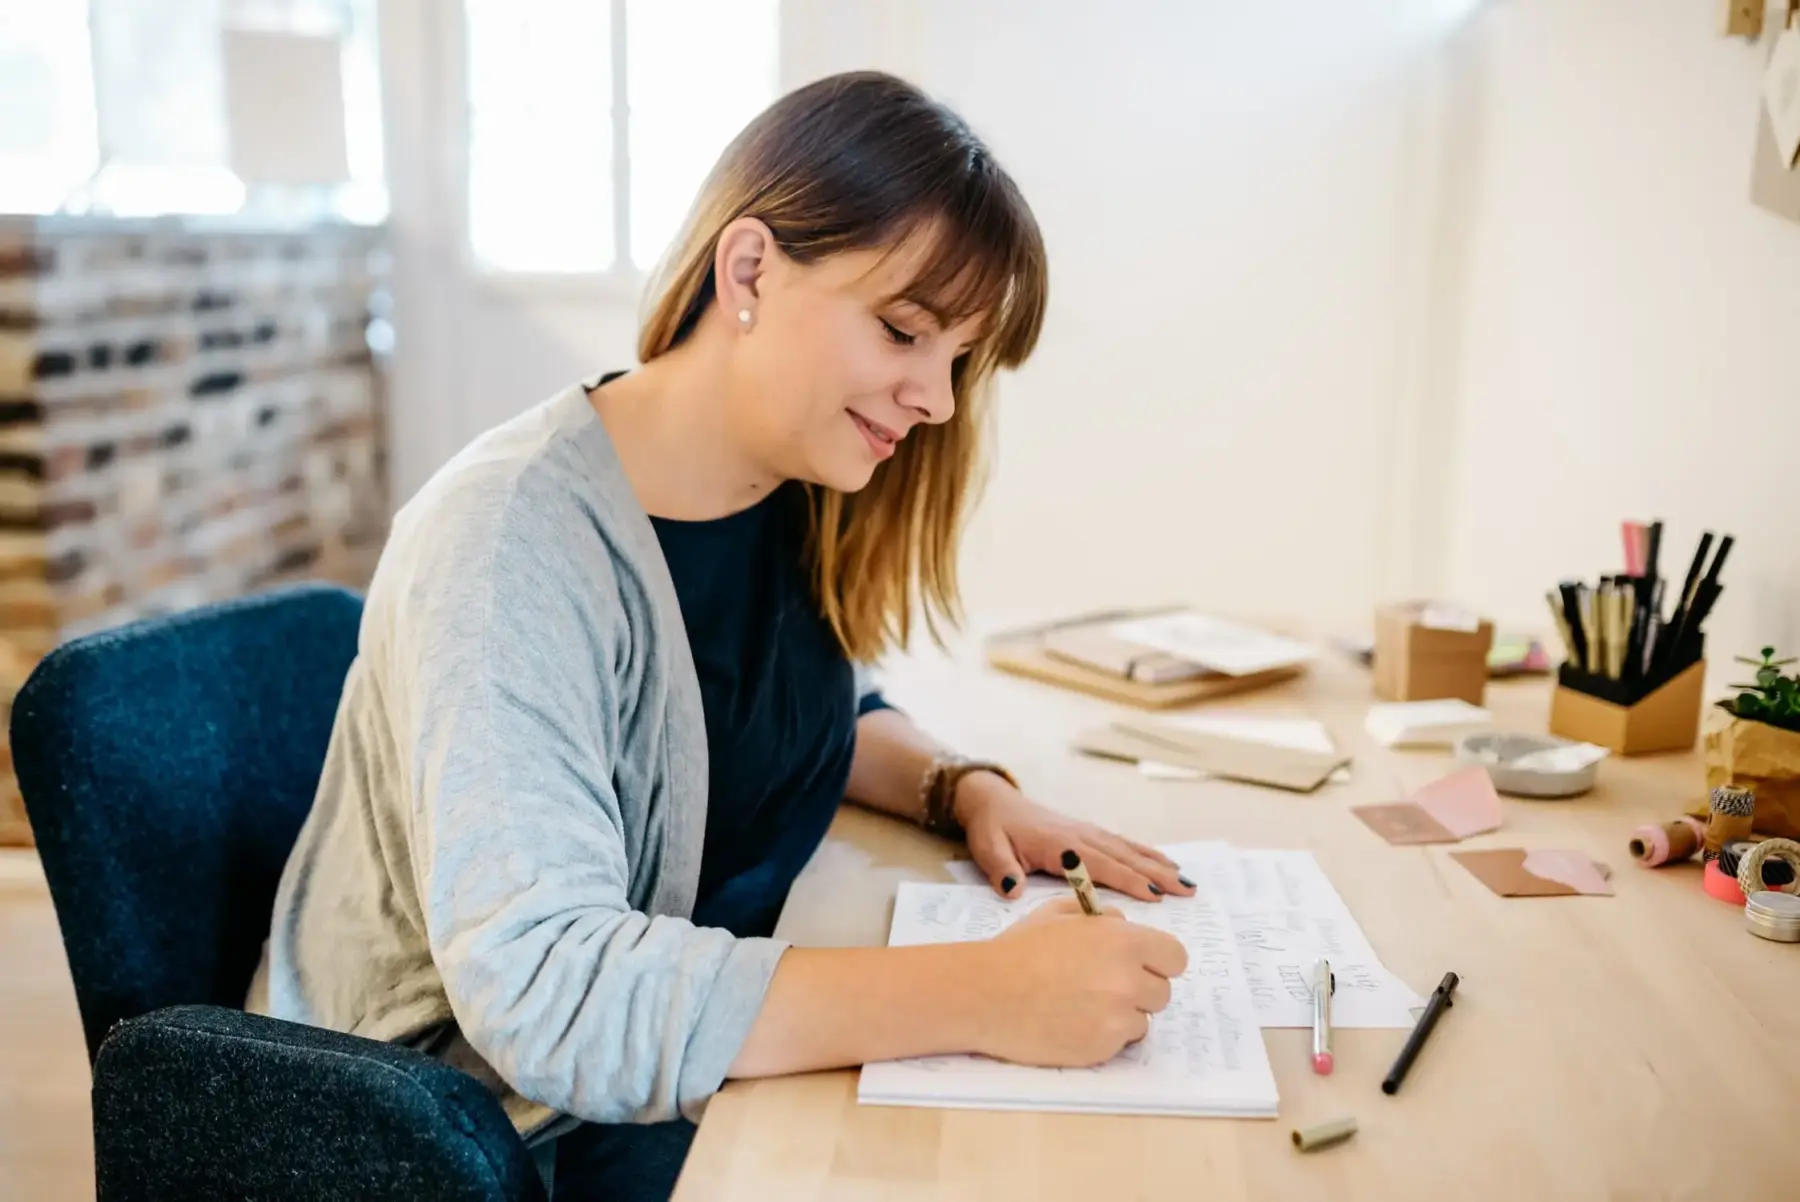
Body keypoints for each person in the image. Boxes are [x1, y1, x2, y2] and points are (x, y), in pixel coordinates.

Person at [249, 70, 1192, 1201]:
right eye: (904, 330)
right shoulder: (509, 544)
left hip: (669, 1075)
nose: (937, 398)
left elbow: (793, 713)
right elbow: (551, 990)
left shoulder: (787, 482)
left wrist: (970, 791)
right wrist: (986, 993)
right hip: (481, 1133)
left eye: (959, 360)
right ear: (747, 270)